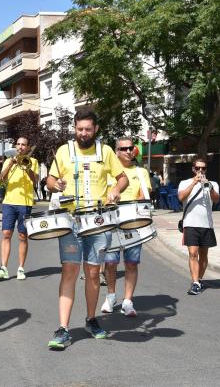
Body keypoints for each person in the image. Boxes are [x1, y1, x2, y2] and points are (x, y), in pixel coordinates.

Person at [45, 109, 128, 350]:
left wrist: (115, 190)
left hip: (98, 221)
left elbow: (122, 178)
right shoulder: (63, 151)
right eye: (80, 129)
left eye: (88, 129)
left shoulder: (106, 151)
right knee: (69, 271)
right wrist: (55, 184)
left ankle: (91, 320)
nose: (83, 134)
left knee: (93, 274)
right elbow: (50, 181)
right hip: (71, 222)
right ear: (75, 128)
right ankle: (63, 328)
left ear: (96, 129)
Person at [102, 137, 152, 317]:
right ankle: (110, 296)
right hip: (112, 221)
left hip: (133, 222)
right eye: (124, 149)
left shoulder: (140, 171)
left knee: (131, 262)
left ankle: (128, 301)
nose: (129, 151)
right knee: (110, 262)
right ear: (116, 152)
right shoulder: (108, 171)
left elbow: (144, 195)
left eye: (131, 148)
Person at [0, 136, 38, 281]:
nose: (20, 147)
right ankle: (3, 268)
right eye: (18, 144)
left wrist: (27, 167)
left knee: (22, 236)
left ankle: (21, 268)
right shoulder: (8, 160)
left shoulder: (33, 161)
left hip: (25, 203)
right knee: (6, 233)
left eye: (23, 144)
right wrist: (11, 163)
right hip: (9, 202)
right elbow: (1, 178)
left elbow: (35, 180)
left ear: (28, 147)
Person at [177, 157, 220, 295]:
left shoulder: (212, 183)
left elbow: (216, 199)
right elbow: (181, 197)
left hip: (207, 224)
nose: (200, 171)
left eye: (203, 168)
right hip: (190, 224)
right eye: (197, 168)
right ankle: (195, 282)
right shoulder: (185, 183)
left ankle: (199, 279)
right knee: (193, 253)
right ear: (193, 169)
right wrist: (194, 183)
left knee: (204, 254)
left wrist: (210, 187)